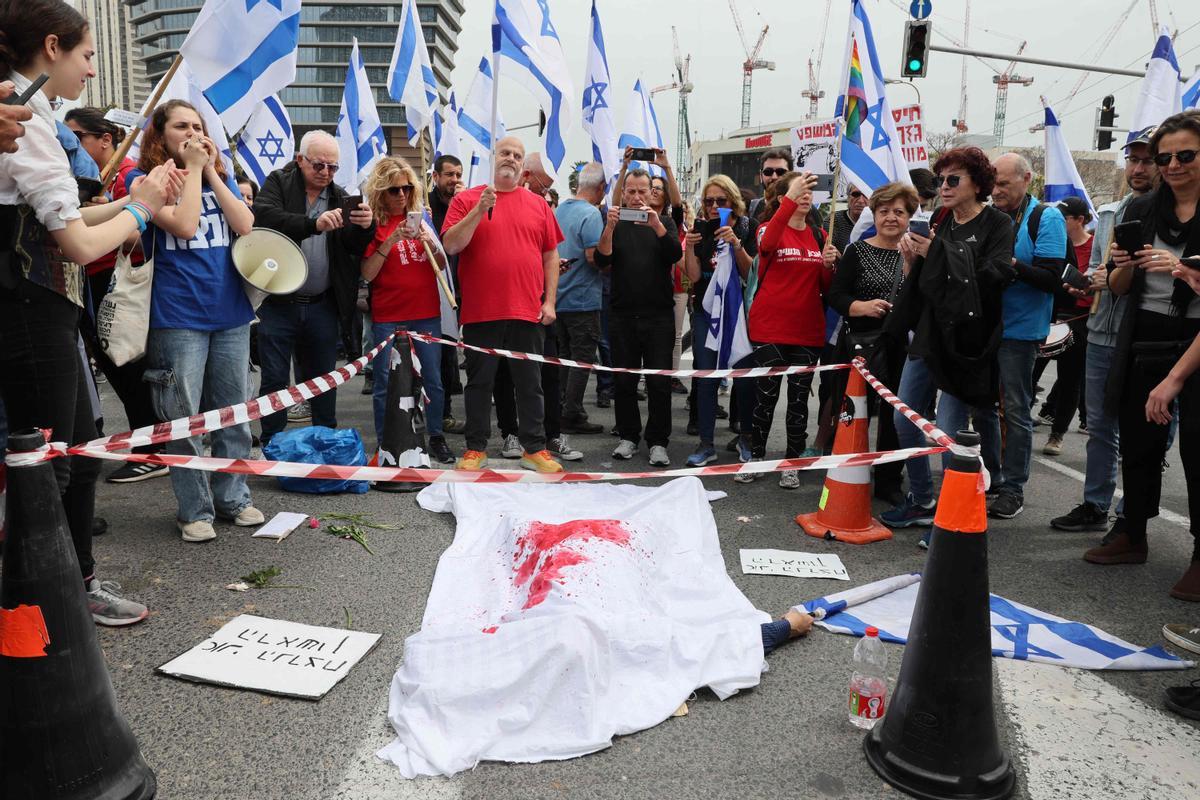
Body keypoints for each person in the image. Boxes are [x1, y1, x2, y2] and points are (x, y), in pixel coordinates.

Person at [1, 0, 177, 624]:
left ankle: (73, 585)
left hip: (48, 311)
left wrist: (135, 199)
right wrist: (142, 209)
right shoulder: (22, 118)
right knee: (47, 468)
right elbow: (75, 242)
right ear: (52, 47)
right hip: (29, 312)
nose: (94, 71)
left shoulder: (35, 113)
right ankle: (46, 599)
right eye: (87, 54)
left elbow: (70, 220)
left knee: (76, 455)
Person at [131, 99, 260, 543]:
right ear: (160, 136)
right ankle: (194, 510)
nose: (192, 132)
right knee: (183, 420)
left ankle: (234, 498)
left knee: (233, 415)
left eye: (198, 126)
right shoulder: (145, 182)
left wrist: (209, 174)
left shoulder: (215, 177)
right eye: (181, 126)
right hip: (178, 317)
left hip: (231, 315)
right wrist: (188, 173)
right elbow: (184, 226)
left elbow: (245, 225)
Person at [1086, 111, 1200, 601]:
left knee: (1196, 447)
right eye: (1164, 157)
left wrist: (1182, 269)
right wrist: (1124, 266)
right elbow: (1115, 286)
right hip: (1145, 334)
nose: (1173, 165)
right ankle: (1132, 531)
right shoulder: (1140, 211)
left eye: (1186, 155)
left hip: (1195, 335)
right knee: (1137, 439)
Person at [875, 147, 1015, 544]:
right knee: (905, 418)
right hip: (928, 333)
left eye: (954, 180)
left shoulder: (997, 223)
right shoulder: (938, 218)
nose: (944, 187)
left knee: (950, 434)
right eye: (941, 180)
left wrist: (935, 252)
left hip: (966, 342)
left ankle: (952, 519)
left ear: (978, 184)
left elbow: (994, 274)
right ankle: (922, 499)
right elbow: (928, 280)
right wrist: (911, 262)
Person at [1051, 128, 1159, 533]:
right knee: (1099, 424)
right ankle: (1095, 504)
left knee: (1147, 432)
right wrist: (1095, 277)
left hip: (1148, 337)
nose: (1139, 167)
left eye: (1148, 160)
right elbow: (1100, 269)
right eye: (1133, 159)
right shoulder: (1111, 213)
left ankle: (1132, 511)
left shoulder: (1171, 217)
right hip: (1101, 331)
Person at [442, 136, 564, 473]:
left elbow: (550, 254)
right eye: (505, 153)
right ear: (492, 158)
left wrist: (550, 301)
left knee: (530, 382)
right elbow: (451, 245)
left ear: (523, 166)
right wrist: (480, 210)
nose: (510, 158)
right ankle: (475, 448)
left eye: (517, 155)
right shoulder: (467, 200)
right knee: (480, 383)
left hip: (528, 309)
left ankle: (534, 448)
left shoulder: (539, 204)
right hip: (482, 310)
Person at [64, 106, 169, 483]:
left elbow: (142, 233)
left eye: (77, 138)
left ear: (105, 139)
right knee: (116, 366)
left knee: (126, 365)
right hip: (93, 276)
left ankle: (152, 450)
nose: (69, 146)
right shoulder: (89, 178)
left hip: (114, 279)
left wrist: (110, 213)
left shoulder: (127, 177)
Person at [251, 130, 374, 448]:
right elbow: (264, 217)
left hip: (322, 303)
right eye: (319, 165)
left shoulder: (340, 195)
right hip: (278, 300)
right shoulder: (279, 182)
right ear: (299, 160)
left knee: (323, 379)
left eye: (333, 167)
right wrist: (313, 224)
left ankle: (326, 440)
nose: (326, 173)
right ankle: (272, 442)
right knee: (275, 378)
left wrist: (365, 227)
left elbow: (351, 248)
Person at [733, 171, 831, 488]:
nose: (805, 195)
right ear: (781, 198)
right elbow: (767, 246)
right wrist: (788, 201)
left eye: (808, 191)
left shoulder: (819, 235)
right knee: (766, 397)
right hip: (770, 327)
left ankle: (792, 458)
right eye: (798, 191)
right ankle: (757, 457)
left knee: (799, 401)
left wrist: (830, 265)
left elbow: (825, 287)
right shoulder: (766, 228)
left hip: (807, 329)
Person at [986, 152, 1069, 519]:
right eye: (993, 183)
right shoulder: (991, 214)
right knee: (981, 405)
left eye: (1004, 183)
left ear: (1027, 179)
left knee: (1016, 408)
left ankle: (1013, 487)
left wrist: (1013, 265)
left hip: (1020, 330)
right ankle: (990, 475)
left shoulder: (1044, 217)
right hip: (985, 325)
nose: (997, 190)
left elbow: (1053, 279)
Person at [827, 181, 920, 504]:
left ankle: (889, 481)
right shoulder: (858, 250)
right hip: (859, 345)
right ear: (874, 215)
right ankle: (847, 472)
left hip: (900, 347)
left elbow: (925, 300)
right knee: (854, 412)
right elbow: (835, 294)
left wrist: (911, 266)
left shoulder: (919, 254)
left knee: (895, 418)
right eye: (884, 211)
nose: (891, 218)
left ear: (909, 216)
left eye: (899, 211)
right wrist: (861, 307)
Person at [360, 157, 453, 464]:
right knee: (386, 382)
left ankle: (436, 435)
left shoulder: (422, 219)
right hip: (389, 316)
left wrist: (431, 243)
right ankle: (386, 441)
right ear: (381, 192)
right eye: (393, 190)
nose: (401, 194)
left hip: (425, 313)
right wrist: (391, 241)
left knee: (432, 379)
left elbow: (440, 267)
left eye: (406, 187)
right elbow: (369, 274)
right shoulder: (375, 224)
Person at [597, 168, 682, 466]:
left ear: (652, 192)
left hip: (658, 316)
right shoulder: (616, 223)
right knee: (624, 382)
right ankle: (628, 436)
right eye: (630, 191)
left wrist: (657, 226)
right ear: (623, 193)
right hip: (622, 316)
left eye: (641, 191)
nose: (636, 197)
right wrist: (608, 227)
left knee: (659, 383)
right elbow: (601, 259)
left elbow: (674, 256)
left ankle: (658, 441)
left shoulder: (665, 222)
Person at [683, 174, 758, 466]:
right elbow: (691, 275)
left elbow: (751, 272)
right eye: (709, 201)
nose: (714, 206)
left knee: (744, 375)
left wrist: (737, 245)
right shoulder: (700, 227)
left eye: (720, 200)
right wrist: (688, 246)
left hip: (737, 312)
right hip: (706, 310)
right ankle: (706, 443)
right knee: (706, 376)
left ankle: (747, 438)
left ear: (732, 201)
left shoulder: (746, 226)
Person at [554, 161, 606, 435]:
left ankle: (563, 407)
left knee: (565, 357)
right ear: (600, 188)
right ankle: (571, 413)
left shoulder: (559, 209)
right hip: (583, 298)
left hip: (559, 295)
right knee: (582, 359)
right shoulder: (592, 214)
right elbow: (593, 257)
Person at [1042, 196, 1094, 456]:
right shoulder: (1052, 242)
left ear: (1079, 220)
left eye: (1063, 218)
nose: (1056, 222)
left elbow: (1101, 284)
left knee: (1069, 379)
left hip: (1079, 319)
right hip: (1049, 314)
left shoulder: (1095, 246)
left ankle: (1057, 433)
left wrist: (1082, 288)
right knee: (1028, 373)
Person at [426, 154, 466, 434]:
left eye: (458, 175)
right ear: (436, 177)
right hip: (431, 290)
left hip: (458, 289)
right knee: (433, 356)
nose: (454, 180)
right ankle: (429, 413)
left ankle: (446, 412)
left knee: (450, 354)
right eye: (449, 174)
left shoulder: (467, 205)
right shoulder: (425, 207)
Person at [749, 148, 793, 222]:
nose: (774, 177)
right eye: (768, 172)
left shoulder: (803, 209)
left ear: (791, 175)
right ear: (760, 175)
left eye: (781, 172)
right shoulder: (751, 208)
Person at [830, 183, 869, 255]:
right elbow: (828, 250)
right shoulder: (833, 220)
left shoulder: (877, 223)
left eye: (866, 195)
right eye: (856, 194)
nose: (860, 200)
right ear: (848, 197)